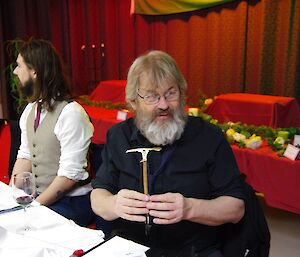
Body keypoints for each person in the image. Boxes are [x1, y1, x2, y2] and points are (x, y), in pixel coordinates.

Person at [91, 50, 245, 257]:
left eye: (170, 93)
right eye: (152, 97)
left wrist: (190, 208)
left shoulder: (209, 137)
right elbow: (98, 195)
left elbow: (236, 209)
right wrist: (113, 204)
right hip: (130, 248)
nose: (163, 105)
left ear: (181, 94)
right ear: (133, 101)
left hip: (194, 251)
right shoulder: (119, 136)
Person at [11, 38, 95, 226]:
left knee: (26, 227)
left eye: (18, 66)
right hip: (41, 198)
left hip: (72, 202)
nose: (15, 72)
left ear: (34, 71)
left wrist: (32, 208)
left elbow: (69, 177)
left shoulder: (71, 113)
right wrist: (13, 196)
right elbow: (25, 156)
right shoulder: (31, 109)